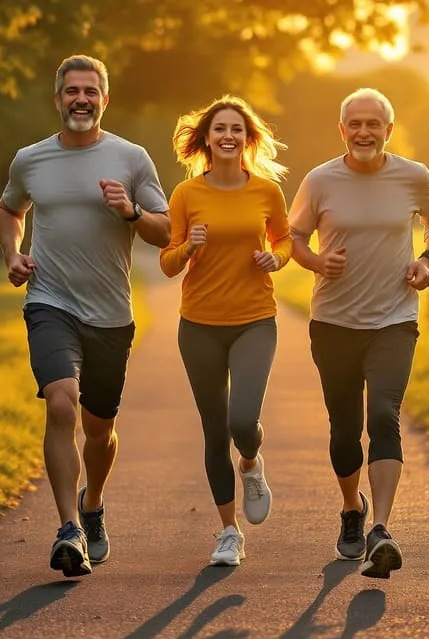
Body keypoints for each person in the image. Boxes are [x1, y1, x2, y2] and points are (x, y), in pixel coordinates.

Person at [0, 54, 171, 577]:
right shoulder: (30, 159)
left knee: (99, 430)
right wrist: (12, 254)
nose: (81, 99)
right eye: (72, 91)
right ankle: (70, 527)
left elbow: (164, 233)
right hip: (50, 302)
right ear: (58, 99)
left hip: (111, 313)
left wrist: (130, 212)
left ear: (104, 99)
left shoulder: (132, 158)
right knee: (61, 402)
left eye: (90, 91)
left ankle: (93, 504)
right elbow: (9, 210)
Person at [288, 88, 429, 579]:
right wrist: (318, 261)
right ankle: (351, 509)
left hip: (394, 320)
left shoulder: (412, 175)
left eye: (373, 124)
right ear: (342, 130)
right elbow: (293, 238)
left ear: (388, 130)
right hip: (334, 322)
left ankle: (382, 529)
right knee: (344, 430)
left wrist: (428, 259)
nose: (364, 132)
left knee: (383, 413)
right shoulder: (320, 180)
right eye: (354, 124)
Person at [160, 95, 292, 567]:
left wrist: (275, 258)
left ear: (248, 138)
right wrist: (189, 248)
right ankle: (228, 532)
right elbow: (168, 261)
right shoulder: (186, 195)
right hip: (198, 325)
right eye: (220, 129)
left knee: (241, 422)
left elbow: (285, 238)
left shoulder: (265, 192)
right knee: (214, 429)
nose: (228, 136)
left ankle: (252, 464)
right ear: (207, 139)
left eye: (237, 129)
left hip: (255, 318)